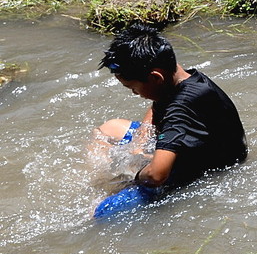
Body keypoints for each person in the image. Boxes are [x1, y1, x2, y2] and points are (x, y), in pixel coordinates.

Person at [94, 23, 247, 216]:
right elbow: (158, 105)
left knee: (102, 212)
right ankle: (99, 182)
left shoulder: (181, 110)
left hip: (204, 168)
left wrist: (131, 174)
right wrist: (142, 137)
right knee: (108, 129)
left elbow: (156, 175)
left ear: (156, 78)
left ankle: (103, 188)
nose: (134, 93)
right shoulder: (180, 77)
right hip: (196, 146)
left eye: (133, 88)